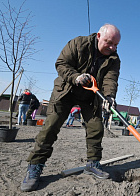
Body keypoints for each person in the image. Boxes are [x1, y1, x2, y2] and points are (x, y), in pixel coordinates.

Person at [21, 24, 121, 192]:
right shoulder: (78, 44)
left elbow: (111, 79)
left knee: (96, 128)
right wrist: (76, 77)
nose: (112, 48)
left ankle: (93, 163)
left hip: (90, 96)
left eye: (116, 45)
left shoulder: (114, 59)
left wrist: (110, 96)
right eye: (109, 42)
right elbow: (61, 64)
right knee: (51, 127)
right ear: (98, 36)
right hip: (66, 90)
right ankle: (35, 166)